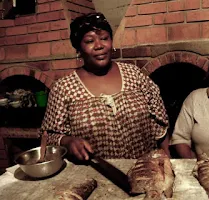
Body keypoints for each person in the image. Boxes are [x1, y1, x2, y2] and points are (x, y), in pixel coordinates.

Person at [41, 12, 169, 160]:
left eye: (104, 38)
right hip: (94, 175)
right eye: (89, 41)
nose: (99, 46)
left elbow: (160, 123)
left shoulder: (134, 74)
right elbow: (48, 136)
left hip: (144, 170)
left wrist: (166, 158)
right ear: (78, 49)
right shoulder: (63, 88)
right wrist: (67, 141)